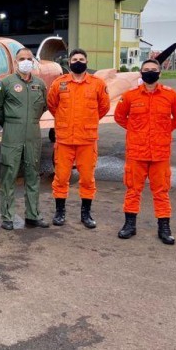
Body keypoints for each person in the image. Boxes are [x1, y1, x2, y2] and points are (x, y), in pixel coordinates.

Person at [114, 60, 176, 244]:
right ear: (141, 73)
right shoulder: (130, 96)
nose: (150, 73)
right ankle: (129, 225)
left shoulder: (170, 95)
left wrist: (163, 130)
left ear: (160, 73)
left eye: (153, 70)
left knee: (161, 191)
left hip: (160, 153)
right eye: (146, 70)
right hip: (136, 153)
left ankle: (164, 227)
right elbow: (119, 117)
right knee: (132, 190)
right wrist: (135, 130)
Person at [47, 49, 110, 228]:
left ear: (87, 61)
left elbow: (103, 107)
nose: (78, 61)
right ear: (69, 62)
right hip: (65, 140)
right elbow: (52, 105)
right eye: (74, 59)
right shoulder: (59, 83)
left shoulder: (97, 84)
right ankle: (60, 212)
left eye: (81, 59)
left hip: (87, 140)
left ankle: (86, 214)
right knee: (61, 177)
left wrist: (87, 121)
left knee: (88, 179)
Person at [0, 48, 50, 230]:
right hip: (12, 134)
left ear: (33, 62)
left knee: (33, 175)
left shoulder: (40, 84)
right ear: (15, 62)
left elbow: (43, 107)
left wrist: (30, 121)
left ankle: (33, 215)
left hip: (33, 134)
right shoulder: (6, 83)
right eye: (21, 59)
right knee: (9, 176)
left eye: (29, 59)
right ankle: (7, 217)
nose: (26, 62)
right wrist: (10, 124)